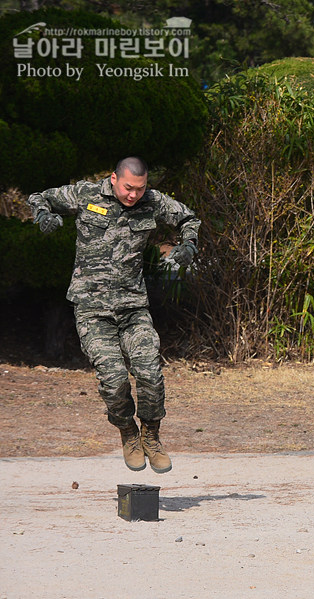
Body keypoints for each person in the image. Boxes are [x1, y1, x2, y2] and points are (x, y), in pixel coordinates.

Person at [27, 156, 201, 474]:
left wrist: (188, 245)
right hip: (92, 310)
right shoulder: (85, 195)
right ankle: (128, 433)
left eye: (140, 188)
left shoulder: (152, 202)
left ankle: (151, 434)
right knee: (115, 381)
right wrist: (42, 215)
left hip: (133, 307)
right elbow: (40, 197)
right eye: (128, 188)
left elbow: (188, 218)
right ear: (113, 178)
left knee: (150, 372)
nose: (133, 195)